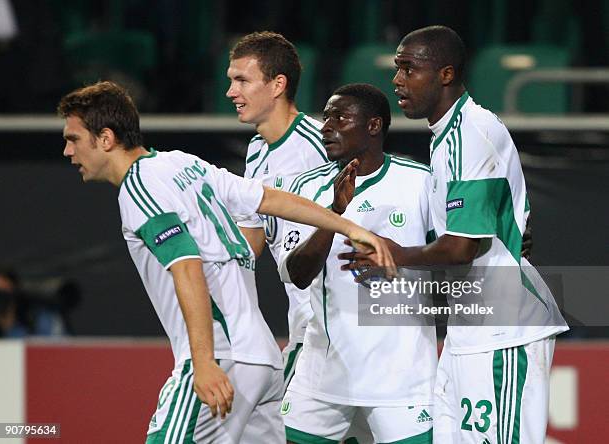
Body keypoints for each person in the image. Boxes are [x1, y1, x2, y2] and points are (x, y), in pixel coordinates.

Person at [58, 81, 394, 443]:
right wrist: (347, 226)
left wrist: (203, 363)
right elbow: (268, 199)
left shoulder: (138, 189)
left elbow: (187, 265)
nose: (67, 151)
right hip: (262, 361)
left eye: (74, 139)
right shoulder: (181, 163)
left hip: (221, 357)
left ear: (106, 138)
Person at [341, 26, 568, 443]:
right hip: (471, 327)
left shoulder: (469, 133)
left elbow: (462, 247)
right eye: (396, 69)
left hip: (504, 331)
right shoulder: (448, 136)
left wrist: (393, 255)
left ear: (446, 74)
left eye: (409, 69)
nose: (397, 81)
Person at [277, 83, 437, 444]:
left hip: (402, 377)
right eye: (326, 116)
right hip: (325, 372)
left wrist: (400, 259)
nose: (326, 126)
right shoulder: (306, 189)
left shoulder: (420, 183)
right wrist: (334, 215)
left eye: (341, 117)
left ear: (374, 125)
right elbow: (298, 276)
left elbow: (454, 261)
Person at [226, 31, 329, 391]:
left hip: (335, 324)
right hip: (302, 323)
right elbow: (250, 240)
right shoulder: (255, 151)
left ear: (277, 85)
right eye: (230, 81)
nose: (231, 92)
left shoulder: (324, 143)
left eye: (242, 80)